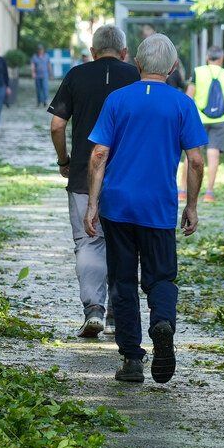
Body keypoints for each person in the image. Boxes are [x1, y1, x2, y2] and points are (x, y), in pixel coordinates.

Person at [85, 33, 207, 384]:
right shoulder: (183, 104)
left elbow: (98, 154)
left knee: (122, 281)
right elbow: (196, 161)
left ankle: (132, 360)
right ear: (172, 67)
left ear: (136, 63)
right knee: (162, 276)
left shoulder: (118, 100)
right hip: (158, 206)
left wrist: (92, 203)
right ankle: (162, 322)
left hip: (118, 205)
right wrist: (192, 205)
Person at [48, 25, 140, 340]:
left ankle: (94, 311)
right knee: (124, 242)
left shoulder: (76, 75)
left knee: (88, 242)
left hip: (84, 175)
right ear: (125, 52)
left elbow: (57, 125)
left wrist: (64, 160)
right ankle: (118, 308)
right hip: (127, 176)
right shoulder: (135, 76)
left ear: (92, 52)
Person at [189, 47, 224, 205]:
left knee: (192, 154)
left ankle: (183, 190)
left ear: (207, 57)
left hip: (198, 119)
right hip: (219, 120)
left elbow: (189, 95)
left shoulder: (198, 72)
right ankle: (209, 192)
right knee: (213, 156)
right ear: (222, 58)